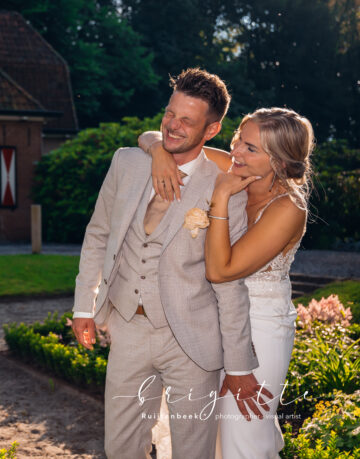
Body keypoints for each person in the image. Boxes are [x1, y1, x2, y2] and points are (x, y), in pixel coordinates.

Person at [71, 68, 266, 459]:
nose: (173, 126)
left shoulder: (225, 189)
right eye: (170, 114)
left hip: (192, 339)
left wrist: (239, 363)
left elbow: (229, 282)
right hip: (127, 327)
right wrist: (83, 306)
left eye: (187, 121)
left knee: (193, 451)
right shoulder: (127, 162)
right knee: (121, 445)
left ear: (211, 131)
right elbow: (98, 235)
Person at [138, 107, 313, 458]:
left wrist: (219, 197)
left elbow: (220, 270)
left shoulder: (288, 208)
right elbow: (154, 139)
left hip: (260, 332)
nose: (235, 152)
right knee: (205, 436)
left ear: (279, 160)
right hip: (210, 322)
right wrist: (159, 153)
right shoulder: (234, 168)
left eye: (251, 148)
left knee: (242, 440)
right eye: (238, 141)